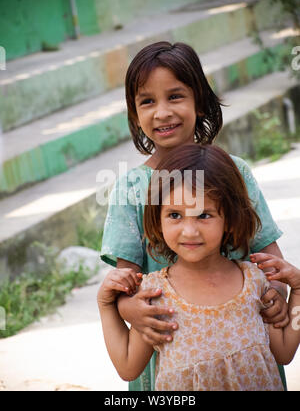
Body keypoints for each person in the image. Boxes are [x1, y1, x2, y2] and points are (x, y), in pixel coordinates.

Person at [99, 41, 288, 390]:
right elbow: (124, 283)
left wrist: (275, 292)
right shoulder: (131, 189)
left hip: (244, 355)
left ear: (200, 101)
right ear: (134, 114)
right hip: (169, 356)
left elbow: (270, 259)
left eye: (175, 96)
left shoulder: (236, 173)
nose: (162, 112)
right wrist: (129, 311)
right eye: (147, 101)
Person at [97, 145, 300, 391]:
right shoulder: (154, 294)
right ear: (158, 220)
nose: (190, 231)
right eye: (174, 215)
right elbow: (128, 366)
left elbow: (286, 350)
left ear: (230, 220)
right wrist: (106, 305)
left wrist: (298, 290)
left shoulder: (254, 281)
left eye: (204, 215)